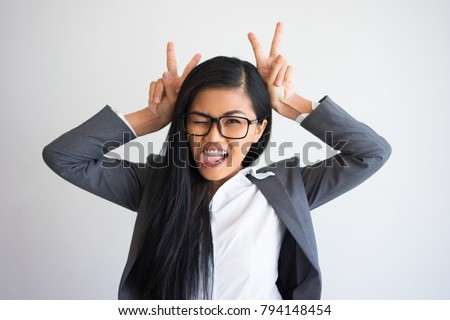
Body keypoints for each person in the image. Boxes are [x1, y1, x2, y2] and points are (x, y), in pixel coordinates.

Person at [43, 22, 391, 299]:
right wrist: (152, 118)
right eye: (199, 119)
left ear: (259, 129)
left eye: (234, 121)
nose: (213, 137)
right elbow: (64, 157)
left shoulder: (288, 187)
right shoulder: (154, 182)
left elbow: (370, 153)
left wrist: (293, 104)